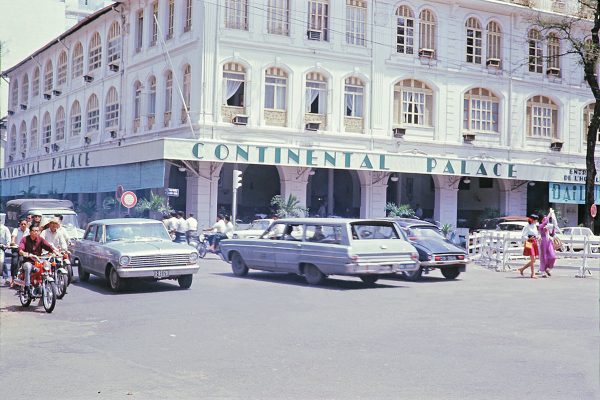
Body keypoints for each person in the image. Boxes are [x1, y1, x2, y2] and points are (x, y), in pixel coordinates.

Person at [18, 225, 55, 295]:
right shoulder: (24, 239)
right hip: (28, 261)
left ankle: (45, 283)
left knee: (47, 265)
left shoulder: (40, 239)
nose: (35, 232)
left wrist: (55, 252)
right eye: (34, 231)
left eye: (37, 231)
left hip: (38, 261)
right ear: (30, 232)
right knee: (28, 267)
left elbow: (48, 246)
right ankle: (27, 286)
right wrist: (23, 252)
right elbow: (20, 248)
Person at [518, 214, 539, 278]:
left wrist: (537, 237)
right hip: (529, 242)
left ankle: (522, 269)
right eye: (536, 220)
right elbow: (523, 236)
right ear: (532, 220)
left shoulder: (535, 226)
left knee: (534, 259)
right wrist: (529, 238)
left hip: (534, 241)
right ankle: (533, 274)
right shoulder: (527, 226)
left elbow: (536, 234)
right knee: (532, 258)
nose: (536, 221)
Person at [9, 218, 29, 288]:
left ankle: (21, 279)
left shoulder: (28, 231)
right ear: (19, 224)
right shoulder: (16, 230)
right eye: (22, 224)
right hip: (16, 248)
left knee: (21, 261)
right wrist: (12, 242)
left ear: (27, 225)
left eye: (25, 224)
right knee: (14, 262)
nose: (23, 225)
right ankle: (13, 279)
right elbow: (13, 237)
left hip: (24, 250)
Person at [538, 209, 558, 278]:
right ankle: (543, 271)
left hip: (549, 241)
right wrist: (549, 214)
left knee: (553, 256)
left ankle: (548, 268)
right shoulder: (540, 225)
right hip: (543, 242)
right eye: (544, 218)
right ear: (541, 219)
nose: (545, 219)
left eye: (545, 217)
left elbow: (552, 233)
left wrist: (553, 229)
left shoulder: (548, 225)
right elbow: (544, 223)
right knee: (544, 257)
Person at [0, 214, 12, 285]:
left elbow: (8, 238)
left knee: (2, 261)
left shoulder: (5, 229)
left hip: (1, 247)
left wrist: (8, 244)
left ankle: (6, 277)